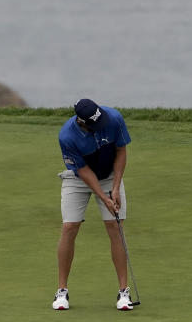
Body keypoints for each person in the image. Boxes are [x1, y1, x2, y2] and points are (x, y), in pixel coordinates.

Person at [52, 98, 134, 311]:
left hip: (109, 176)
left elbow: (121, 152)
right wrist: (103, 197)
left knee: (115, 227)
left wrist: (115, 188)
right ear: (81, 122)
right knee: (70, 227)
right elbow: (84, 172)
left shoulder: (113, 118)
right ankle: (62, 291)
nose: (101, 126)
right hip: (78, 178)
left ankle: (124, 292)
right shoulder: (67, 136)